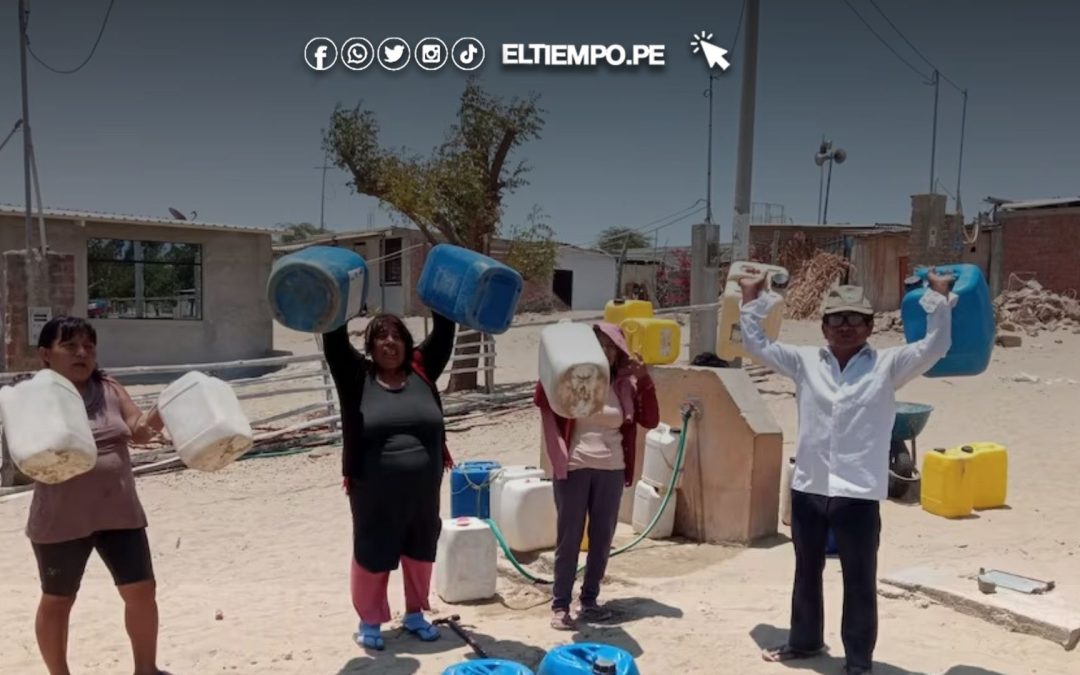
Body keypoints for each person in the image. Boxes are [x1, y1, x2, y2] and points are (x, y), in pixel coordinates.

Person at [740, 272, 954, 675]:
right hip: (809, 488)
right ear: (824, 327)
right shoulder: (804, 362)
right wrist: (753, 299)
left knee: (859, 580)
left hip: (858, 494)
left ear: (870, 327)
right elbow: (756, 345)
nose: (845, 326)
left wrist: (938, 298)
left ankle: (858, 662)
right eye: (837, 318)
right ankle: (804, 642)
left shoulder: (889, 366)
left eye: (855, 319)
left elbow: (936, 345)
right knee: (806, 572)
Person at [17, 316, 170, 675]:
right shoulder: (35, 396)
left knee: (141, 591)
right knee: (58, 599)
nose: (82, 353)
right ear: (45, 354)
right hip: (61, 519)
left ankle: (146, 670)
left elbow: (138, 431)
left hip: (120, 513)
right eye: (70, 346)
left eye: (88, 346)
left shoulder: (109, 388)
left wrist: (165, 410)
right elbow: (27, 458)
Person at [321, 310, 457, 651]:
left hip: (423, 489)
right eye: (381, 337)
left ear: (407, 343)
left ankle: (415, 615)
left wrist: (436, 295)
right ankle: (369, 621)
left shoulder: (422, 370)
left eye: (397, 336)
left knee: (420, 547)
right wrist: (340, 299)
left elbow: (444, 331)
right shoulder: (356, 377)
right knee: (372, 549)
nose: (390, 343)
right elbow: (334, 341)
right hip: (373, 491)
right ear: (370, 345)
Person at [534, 322, 659, 630]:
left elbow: (651, 420)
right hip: (574, 466)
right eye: (598, 344)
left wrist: (644, 380)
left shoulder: (625, 385)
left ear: (619, 351)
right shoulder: (573, 378)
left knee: (602, 539)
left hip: (612, 468)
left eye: (610, 345)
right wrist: (554, 369)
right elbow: (543, 398)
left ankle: (589, 601)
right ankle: (560, 605)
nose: (605, 350)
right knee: (569, 539)